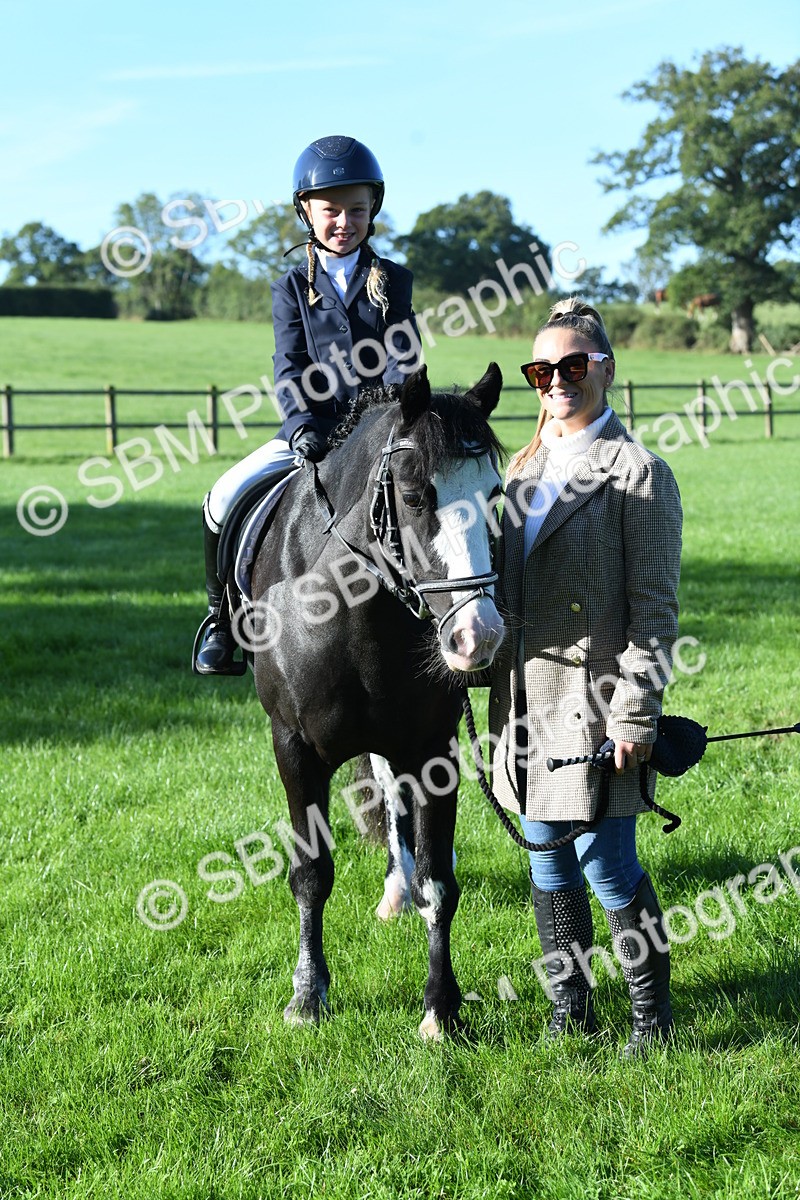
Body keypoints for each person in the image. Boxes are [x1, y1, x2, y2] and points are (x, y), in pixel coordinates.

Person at [489, 297, 683, 1058]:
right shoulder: (521, 469)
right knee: (546, 860)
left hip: (596, 707)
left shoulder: (640, 473)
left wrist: (635, 715)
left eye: (573, 365)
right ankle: (570, 1010)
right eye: (542, 371)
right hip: (523, 703)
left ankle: (651, 1020)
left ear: (605, 368)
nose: (557, 381)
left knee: (607, 864)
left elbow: (656, 610)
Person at [194, 135, 420, 674]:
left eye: (357, 210)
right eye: (331, 211)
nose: (344, 221)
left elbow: (402, 357)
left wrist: (394, 415)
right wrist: (300, 425)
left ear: (373, 210)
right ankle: (220, 620)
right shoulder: (291, 288)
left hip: (382, 432)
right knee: (222, 497)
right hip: (310, 433)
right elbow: (290, 364)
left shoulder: (393, 280)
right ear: (307, 213)